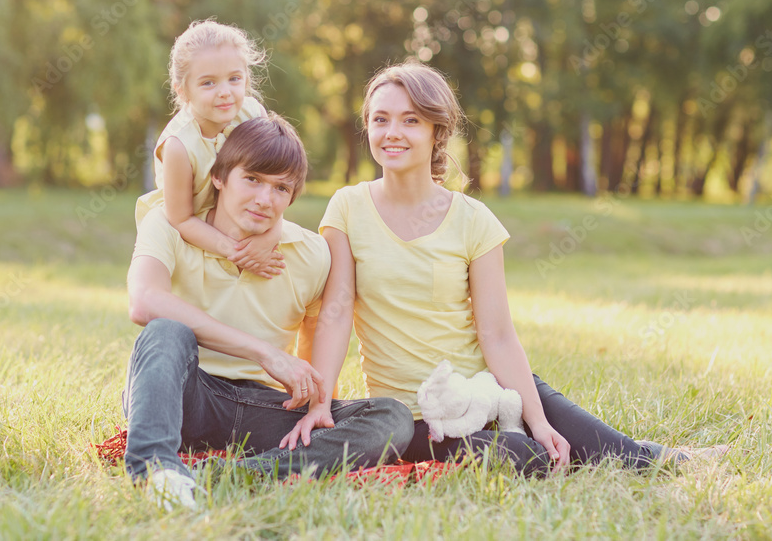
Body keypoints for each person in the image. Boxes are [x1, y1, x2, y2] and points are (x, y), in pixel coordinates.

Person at [281, 61, 725, 475]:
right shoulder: (348, 207)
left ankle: (663, 458)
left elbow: (496, 334)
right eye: (380, 119)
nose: (392, 132)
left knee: (560, 422)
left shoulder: (475, 220)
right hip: (417, 415)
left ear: (438, 131)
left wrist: (536, 417)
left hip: (486, 388)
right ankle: (571, 447)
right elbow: (336, 312)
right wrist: (323, 403)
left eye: (410, 120)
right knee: (530, 458)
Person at [123, 115, 414, 510]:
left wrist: (319, 405)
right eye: (253, 179)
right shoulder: (169, 223)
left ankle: (230, 475)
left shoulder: (310, 253)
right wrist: (266, 353)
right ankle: (156, 471)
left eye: (281, 188)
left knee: (392, 416)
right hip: (185, 395)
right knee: (166, 331)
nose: (265, 199)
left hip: (265, 408)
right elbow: (144, 301)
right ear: (220, 177)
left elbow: (317, 329)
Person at [135, 19, 282, 279]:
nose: (225, 92)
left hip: (242, 212)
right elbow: (181, 219)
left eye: (234, 79)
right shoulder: (179, 146)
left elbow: (273, 180)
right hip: (192, 225)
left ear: (246, 78)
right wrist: (238, 252)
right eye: (208, 83)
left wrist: (270, 235)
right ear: (183, 91)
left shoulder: (252, 113)